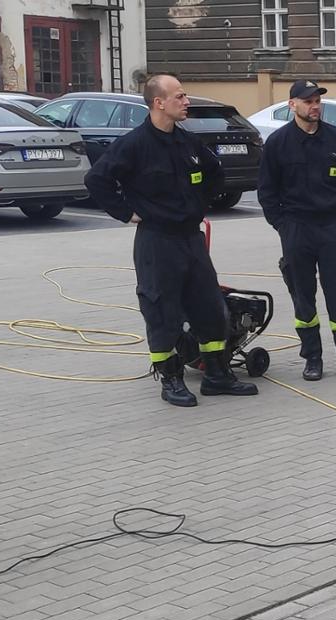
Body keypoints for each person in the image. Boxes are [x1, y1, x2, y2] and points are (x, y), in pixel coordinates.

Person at [85, 72, 258, 406]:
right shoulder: (135, 145)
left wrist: (198, 203)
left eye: (185, 95)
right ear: (158, 103)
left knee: (210, 308)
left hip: (190, 240)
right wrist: (127, 213)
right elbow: (97, 180)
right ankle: (171, 379)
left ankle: (217, 375)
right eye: (179, 96)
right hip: (157, 241)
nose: (186, 101)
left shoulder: (187, 141)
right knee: (163, 313)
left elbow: (213, 173)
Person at [256, 79, 336, 382]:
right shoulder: (278, 143)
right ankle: (312, 358)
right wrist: (283, 226)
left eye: (318, 101)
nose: (315, 106)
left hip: (334, 229)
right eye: (308, 101)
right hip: (297, 230)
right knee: (303, 297)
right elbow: (266, 192)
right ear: (292, 105)